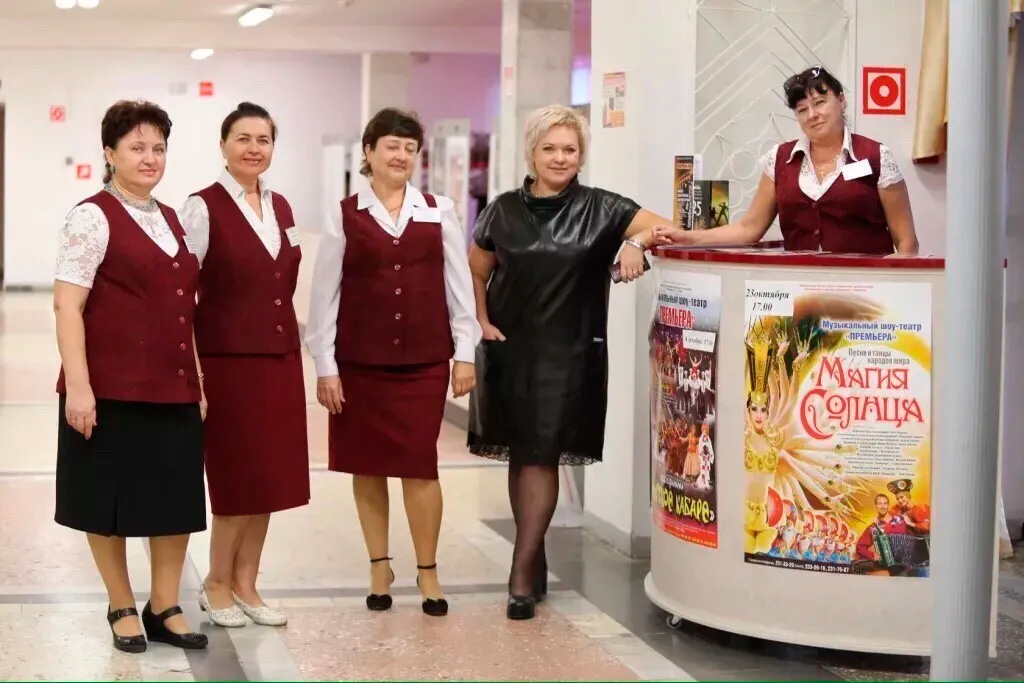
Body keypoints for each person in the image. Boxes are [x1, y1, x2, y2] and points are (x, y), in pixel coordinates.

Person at [466, 104, 677, 620]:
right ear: (532, 153)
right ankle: (533, 557)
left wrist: (635, 242)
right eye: (550, 148)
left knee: (541, 455)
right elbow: (476, 269)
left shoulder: (603, 207)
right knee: (522, 455)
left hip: (570, 351)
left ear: (581, 155)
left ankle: (520, 572)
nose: (560, 158)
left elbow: (667, 228)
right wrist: (481, 322)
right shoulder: (501, 210)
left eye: (570, 149)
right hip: (511, 349)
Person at [306, 107, 480, 617]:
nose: (401, 155)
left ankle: (428, 571)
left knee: (420, 465)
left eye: (409, 148)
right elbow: (325, 295)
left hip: (424, 361)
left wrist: (464, 354)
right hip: (361, 364)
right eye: (392, 146)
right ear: (369, 151)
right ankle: (379, 566)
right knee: (367, 465)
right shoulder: (344, 214)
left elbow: (459, 286)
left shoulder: (439, 209)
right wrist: (325, 365)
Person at [53, 100, 207, 653]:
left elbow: (185, 307)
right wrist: (79, 386)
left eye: (158, 148)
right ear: (109, 154)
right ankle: (120, 603)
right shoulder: (91, 216)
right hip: (110, 388)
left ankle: (164, 605)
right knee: (105, 500)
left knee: (175, 500)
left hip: (173, 385)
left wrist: (198, 381)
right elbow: (67, 306)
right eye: (137, 147)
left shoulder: (171, 218)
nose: (150, 158)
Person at [181, 102, 309, 628]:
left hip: (279, 359)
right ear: (223, 145)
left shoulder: (281, 206)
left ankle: (246, 581)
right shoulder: (202, 206)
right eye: (243, 138)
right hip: (228, 363)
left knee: (270, 477)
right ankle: (216, 582)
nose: (254, 148)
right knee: (237, 478)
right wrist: (194, 372)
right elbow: (180, 293)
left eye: (263, 139)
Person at [658, 66, 919, 255]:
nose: (812, 115)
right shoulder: (780, 159)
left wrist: (892, 282)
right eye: (802, 109)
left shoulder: (876, 156)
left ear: (841, 101)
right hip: (801, 290)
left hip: (866, 292)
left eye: (820, 102)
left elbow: (906, 241)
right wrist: (689, 238)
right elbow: (749, 228)